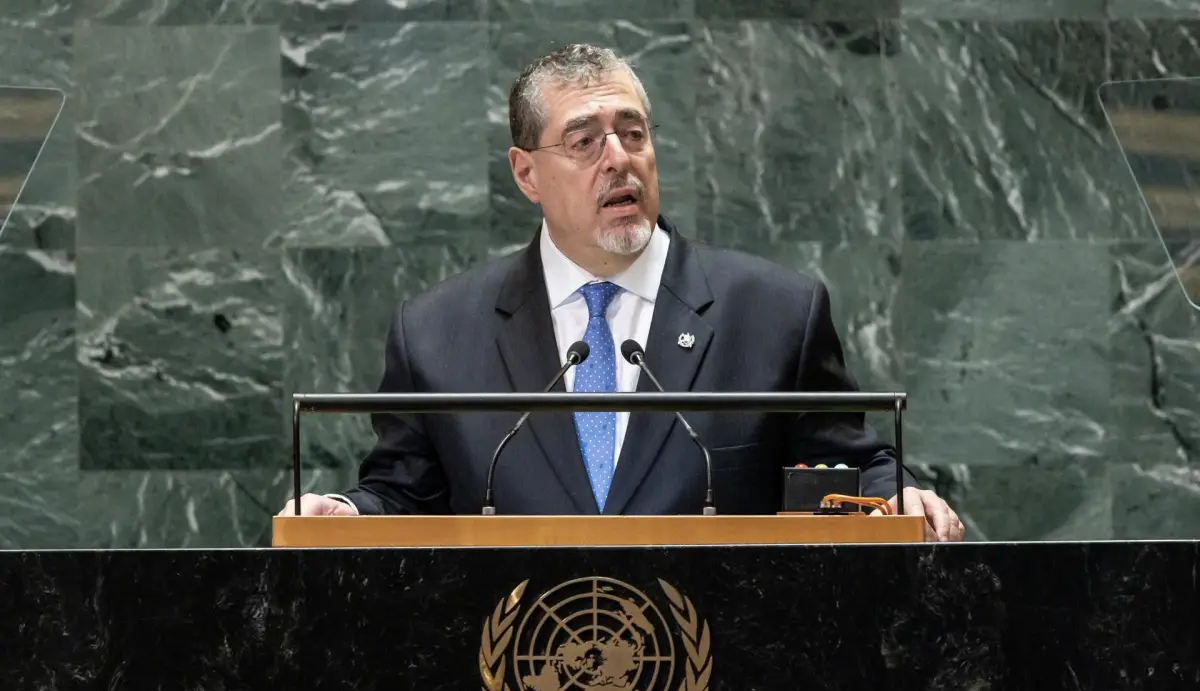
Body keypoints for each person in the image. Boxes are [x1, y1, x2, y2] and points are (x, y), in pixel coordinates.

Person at [279, 43, 965, 542]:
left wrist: (894, 496)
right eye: (584, 141)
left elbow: (844, 468)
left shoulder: (774, 312)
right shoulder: (435, 334)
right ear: (526, 174)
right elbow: (406, 495)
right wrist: (352, 516)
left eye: (632, 134)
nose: (619, 158)